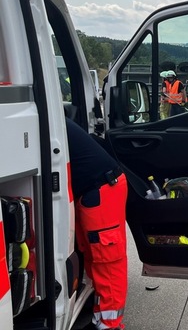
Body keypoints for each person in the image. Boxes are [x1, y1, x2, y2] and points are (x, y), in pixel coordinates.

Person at [66, 119, 127, 330]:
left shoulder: (43, 116)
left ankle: (110, 325)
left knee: (107, 260)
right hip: (95, 188)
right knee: (94, 258)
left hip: (102, 188)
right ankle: (100, 318)